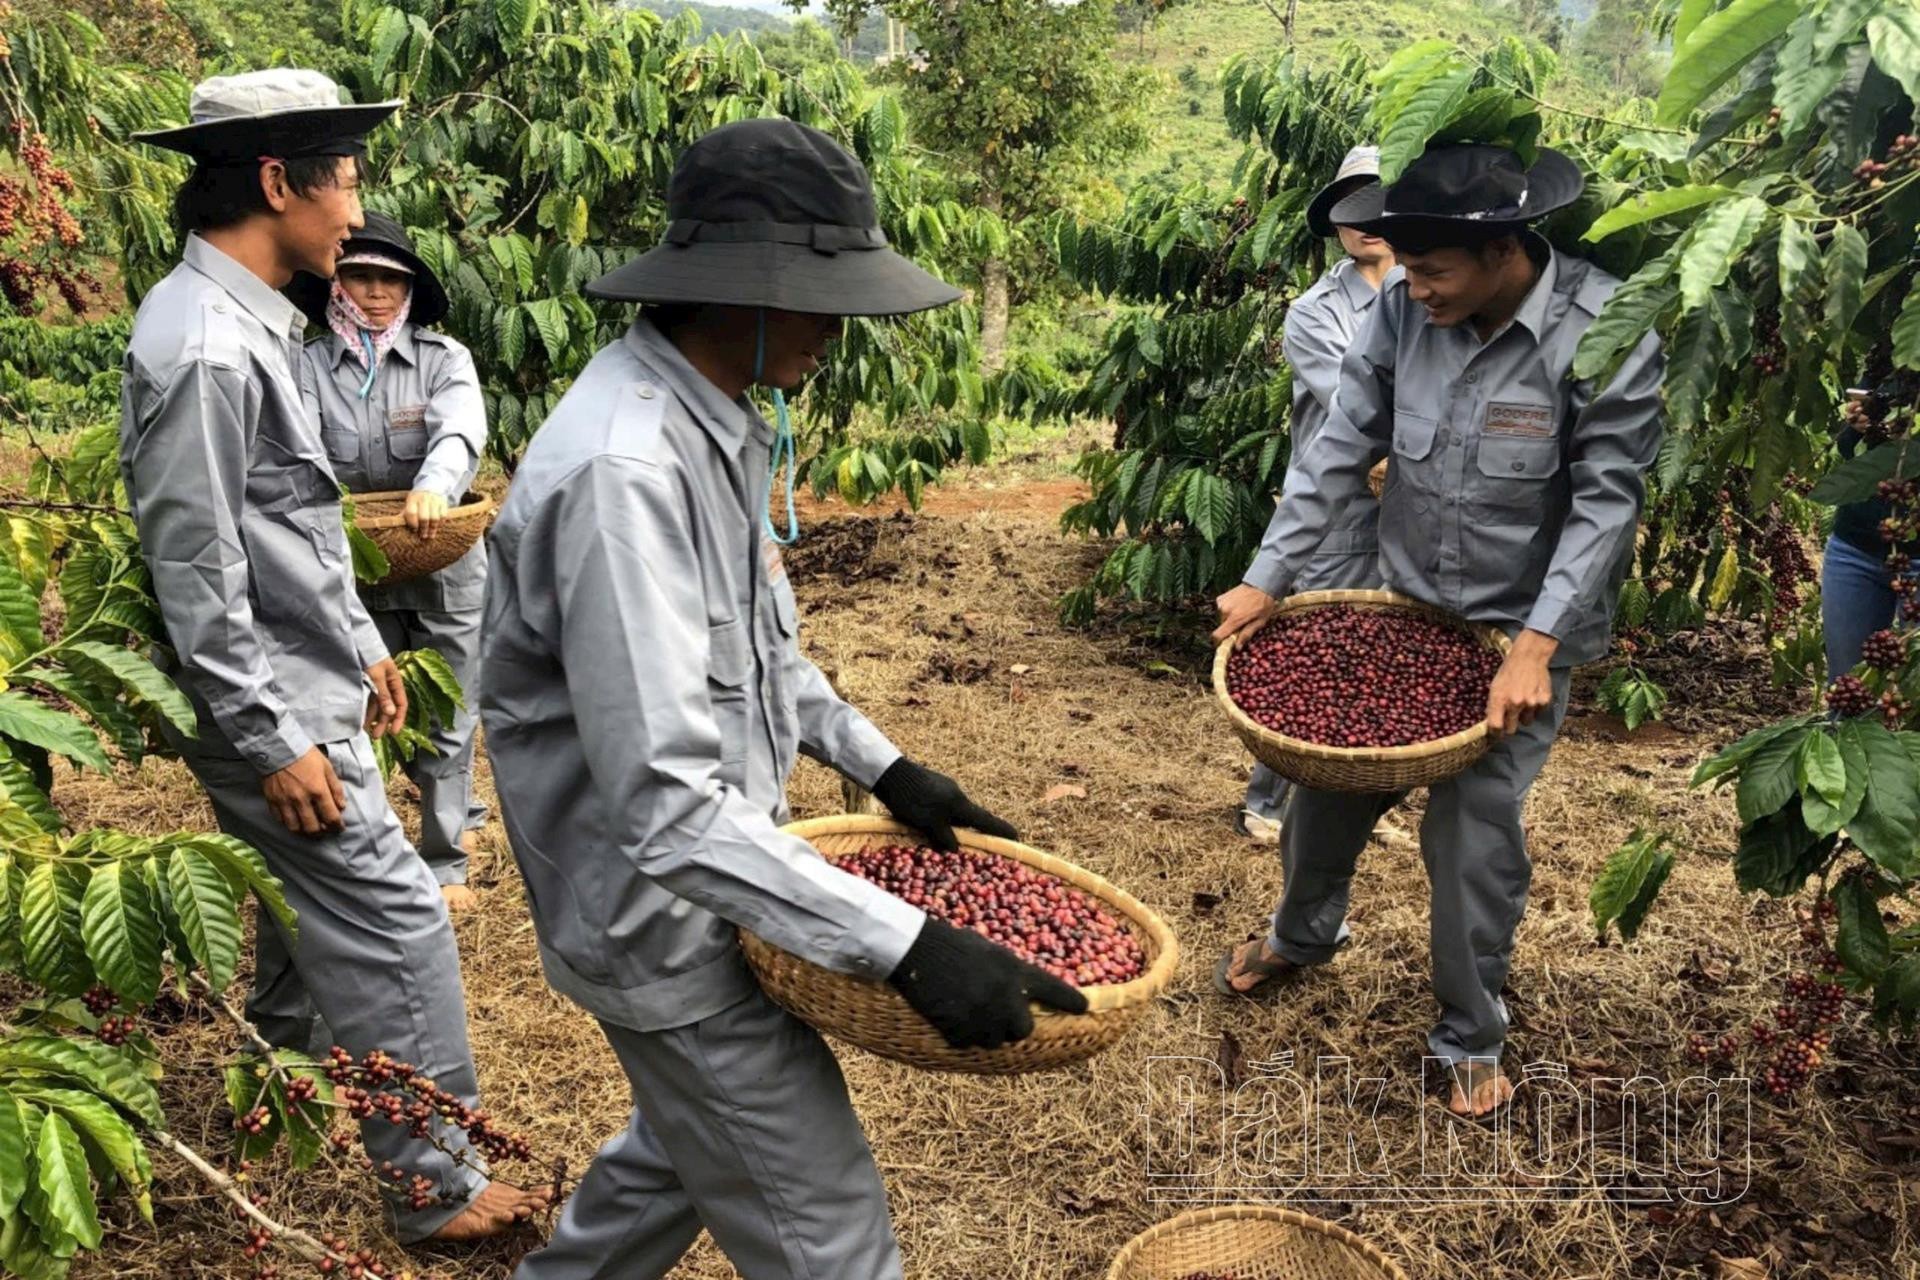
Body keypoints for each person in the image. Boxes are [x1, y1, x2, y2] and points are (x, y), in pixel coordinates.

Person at [482, 118, 1087, 1280]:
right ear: (737, 293)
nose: (839, 328)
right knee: (834, 1244)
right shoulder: (628, 473)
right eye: (821, 297)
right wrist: (909, 945)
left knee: (681, 1152)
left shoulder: (716, 422)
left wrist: (885, 764)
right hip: (667, 915)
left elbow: (761, 656)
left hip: (722, 882)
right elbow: (664, 807)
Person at [121, 69, 547, 1241]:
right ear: (275, 182)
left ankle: (285, 1070)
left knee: (307, 909)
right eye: (346, 182)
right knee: (399, 918)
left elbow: (289, 520)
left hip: (307, 680)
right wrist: (271, 738)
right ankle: (439, 1185)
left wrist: (361, 641)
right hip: (276, 704)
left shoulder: (248, 325)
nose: (357, 213)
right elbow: (197, 566)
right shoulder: (209, 346)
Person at [1211, 143, 1664, 1118]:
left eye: (1432, 271)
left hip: (1519, 634)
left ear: (1505, 249)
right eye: (1405, 268)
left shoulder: (1600, 329)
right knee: (1323, 795)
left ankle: (1469, 1030)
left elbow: (1603, 502)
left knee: (1471, 842)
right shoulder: (1397, 310)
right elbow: (1341, 445)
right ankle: (1302, 934)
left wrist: (1536, 650)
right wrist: (1264, 576)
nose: (1411, 290)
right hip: (1406, 607)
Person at [287, 212, 490, 911]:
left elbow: (460, 428)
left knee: (451, 714)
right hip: (354, 571)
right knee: (365, 708)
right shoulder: (308, 365)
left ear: (408, 290)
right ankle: (379, 847)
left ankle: (445, 861)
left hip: (442, 565)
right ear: (335, 283)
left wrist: (435, 488)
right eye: (359, 276)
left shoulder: (442, 359)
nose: (374, 293)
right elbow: (302, 451)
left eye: (389, 280)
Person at [1237, 145, 1397, 845]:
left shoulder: (1427, 295)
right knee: (1318, 654)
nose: (1370, 218)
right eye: (1354, 202)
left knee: (1388, 659)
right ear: (1336, 220)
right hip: (1337, 516)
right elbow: (1349, 413)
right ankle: (1268, 801)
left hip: (1409, 513)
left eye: (1382, 197)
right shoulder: (1315, 311)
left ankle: (1364, 803)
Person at [1823, 384, 1920, 677]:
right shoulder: (1893, 364)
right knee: (1848, 682)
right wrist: (1859, 426)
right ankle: (1845, 726)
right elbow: (1850, 448)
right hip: (1854, 549)